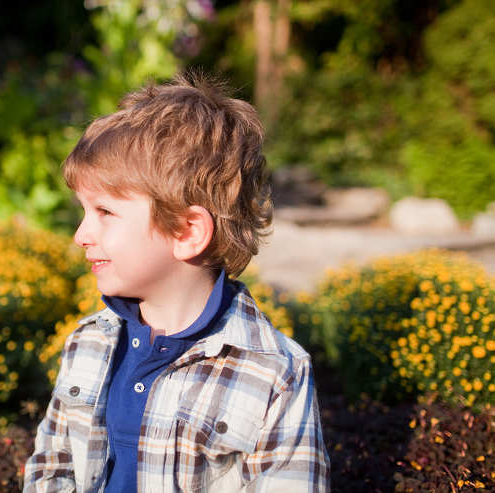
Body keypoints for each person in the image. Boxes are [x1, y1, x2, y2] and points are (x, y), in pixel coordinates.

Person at [23, 71, 330, 492]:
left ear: (187, 231)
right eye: (83, 211)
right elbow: (51, 467)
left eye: (105, 212)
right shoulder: (89, 342)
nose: (80, 235)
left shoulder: (275, 374)